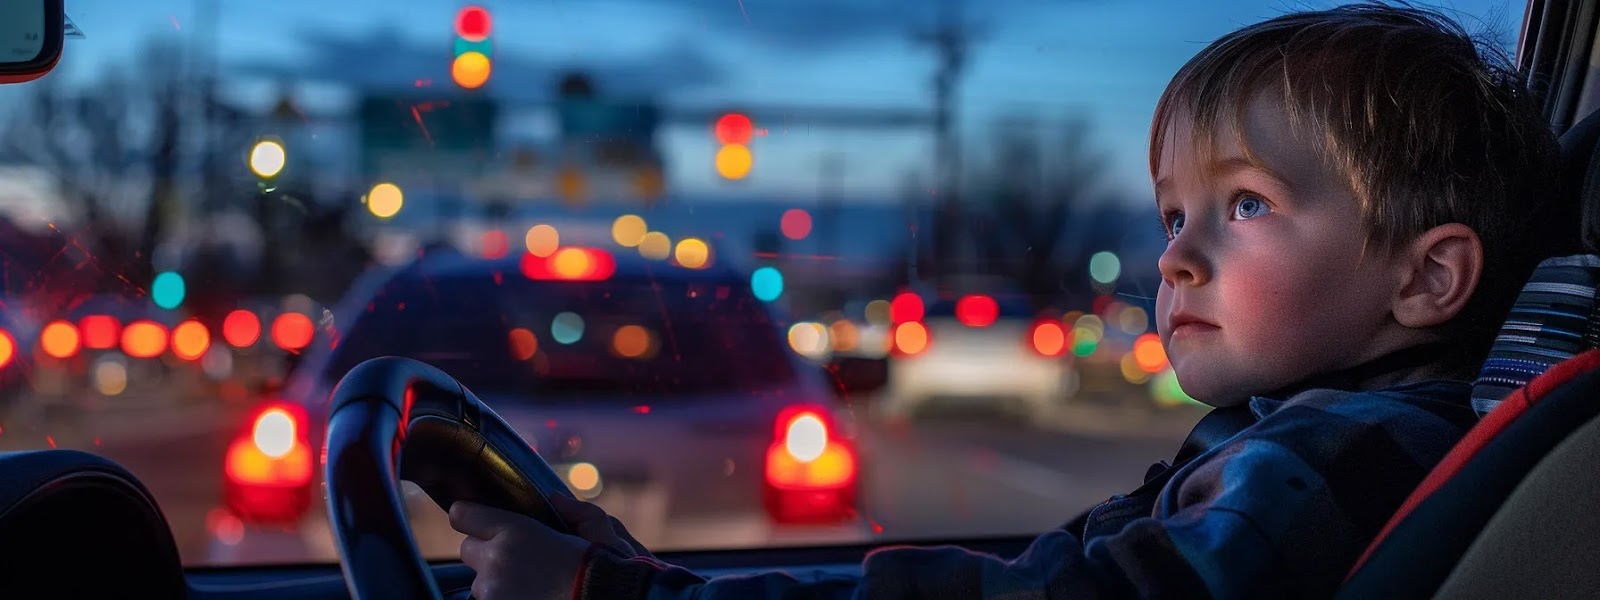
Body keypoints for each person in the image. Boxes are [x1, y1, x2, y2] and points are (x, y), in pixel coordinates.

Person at [447, 3, 1583, 598]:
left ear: (1427, 278)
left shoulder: (1345, 455)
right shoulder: (1281, 435)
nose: (1174, 258)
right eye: (1168, 218)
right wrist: (651, 582)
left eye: (1242, 207)